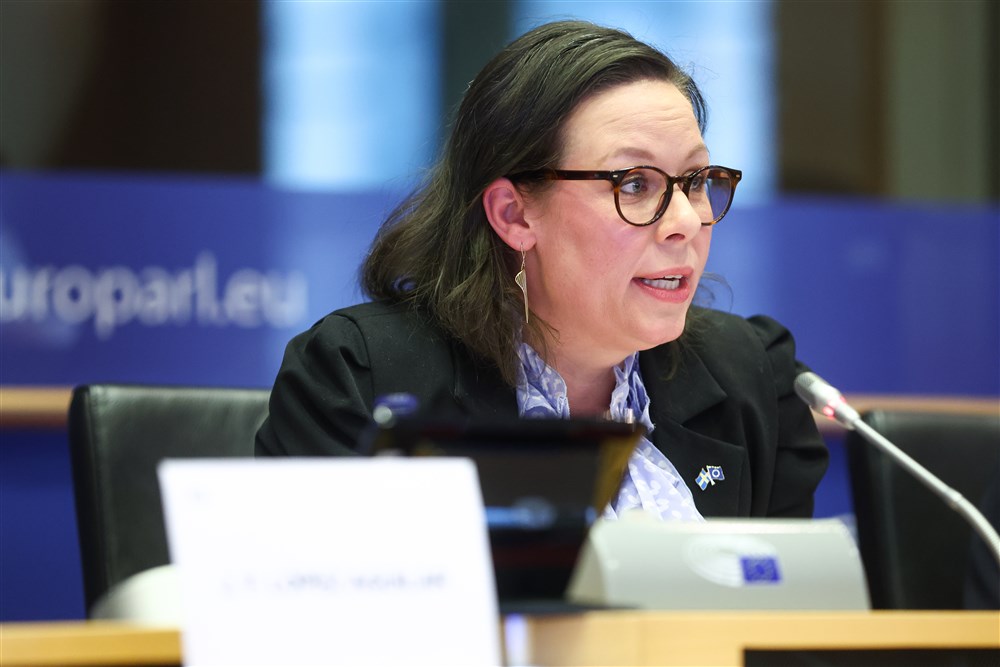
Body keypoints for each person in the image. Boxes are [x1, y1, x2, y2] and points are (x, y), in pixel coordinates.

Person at [255, 20, 829, 520]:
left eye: (697, 182)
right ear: (514, 214)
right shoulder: (358, 380)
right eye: (634, 183)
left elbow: (789, 637)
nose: (686, 220)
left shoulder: (754, 380)